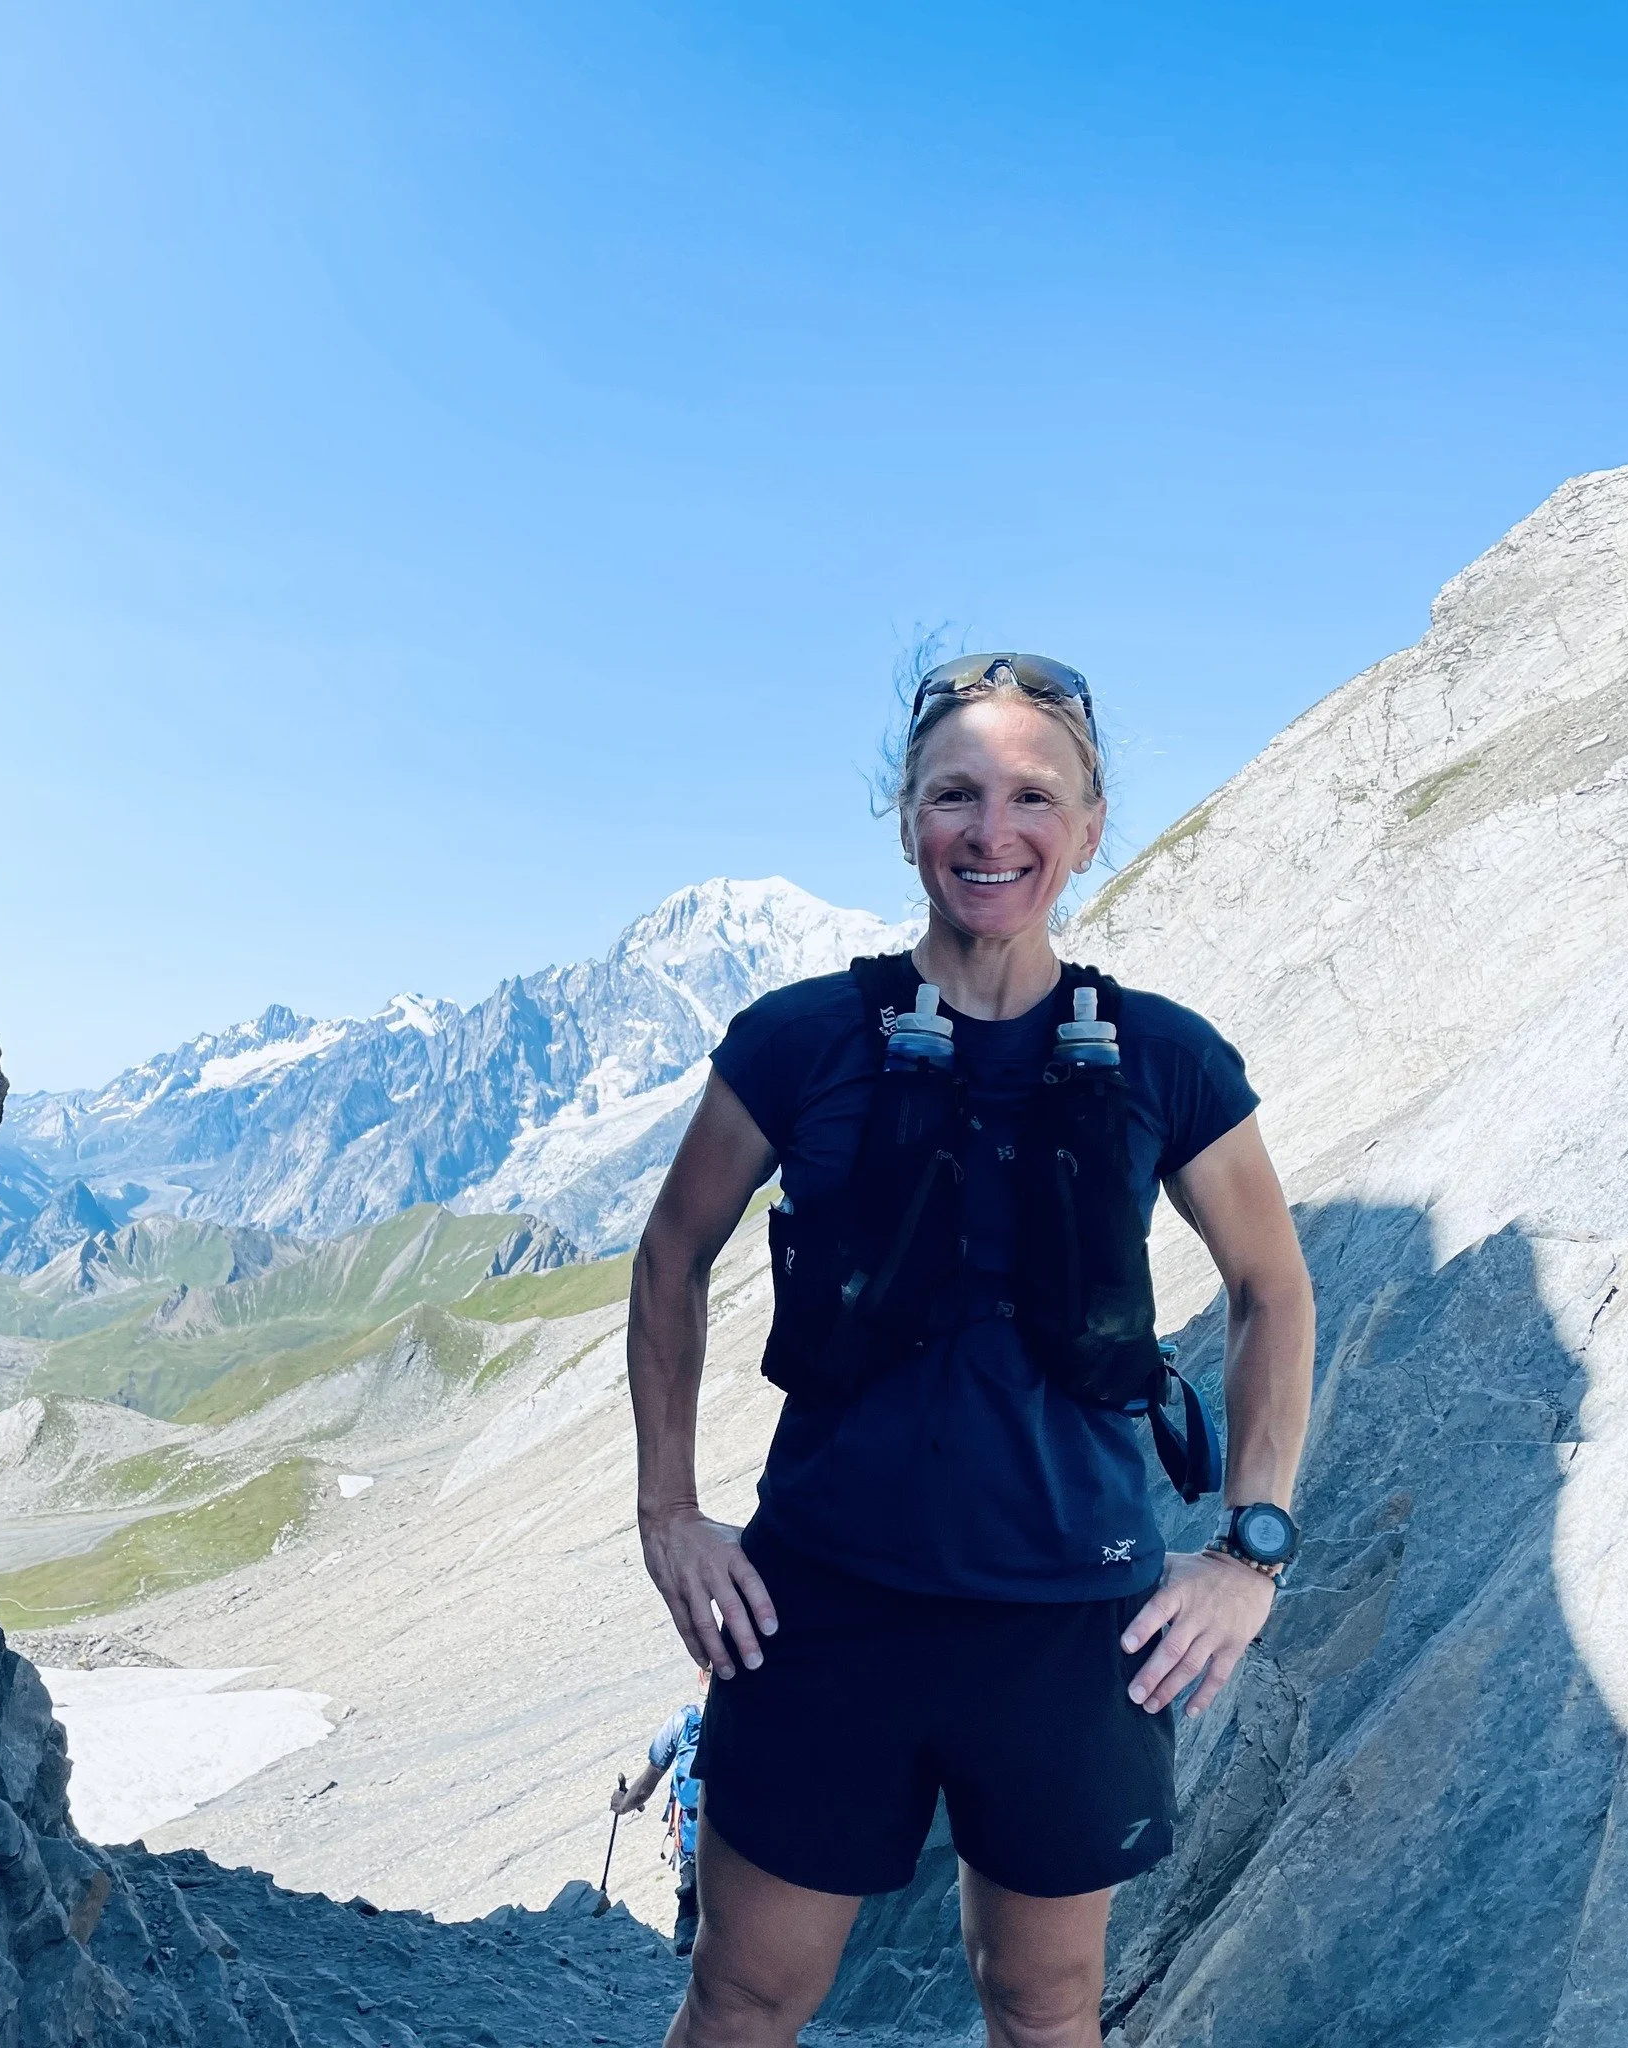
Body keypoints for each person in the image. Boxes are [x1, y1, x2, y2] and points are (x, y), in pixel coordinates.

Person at [626, 654, 1316, 2048]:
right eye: (954, 795)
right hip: (821, 1605)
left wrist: (1249, 1553)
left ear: (1089, 825)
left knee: (1042, 2001)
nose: (990, 832)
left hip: (1069, 1623)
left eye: (1030, 797)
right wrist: (668, 1514)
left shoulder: (1165, 1057)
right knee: (746, 1994)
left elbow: (1271, 1289)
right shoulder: (797, 1042)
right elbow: (669, 1256)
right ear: (905, 819)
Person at [612, 1666, 712, 1954]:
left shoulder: (682, 1722)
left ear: (701, 1677)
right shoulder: (750, 1719)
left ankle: (686, 1953)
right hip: (737, 1846)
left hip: (693, 1843)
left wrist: (623, 1804)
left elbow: (646, 1785)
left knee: (691, 1907)